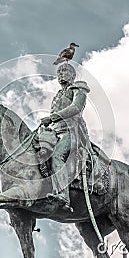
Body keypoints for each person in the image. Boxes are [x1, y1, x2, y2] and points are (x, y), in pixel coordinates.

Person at [40, 63, 91, 211]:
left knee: (57, 156)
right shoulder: (57, 95)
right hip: (54, 132)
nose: (61, 74)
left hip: (71, 131)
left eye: (65, 71)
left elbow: (76, 108)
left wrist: (53, 117)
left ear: (73, 75)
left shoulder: (78, 89)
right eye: (59, 72)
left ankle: (63, 195)